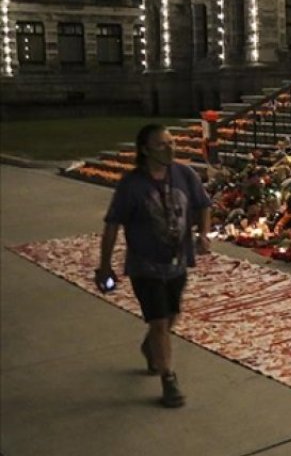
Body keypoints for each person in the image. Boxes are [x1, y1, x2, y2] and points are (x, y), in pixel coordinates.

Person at [96, 124, 212, 408]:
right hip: (144, 265)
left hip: (178, 261)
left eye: (172, 142)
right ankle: (168, 379)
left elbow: (202, 204)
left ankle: (151, 347)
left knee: (171, 316)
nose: (170, 148)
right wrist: (105, 265)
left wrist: (203, 233)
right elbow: (112, 225)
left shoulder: (185, 174)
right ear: (145, 150)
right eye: (161, 145)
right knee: (159, 321)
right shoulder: (131, 185)